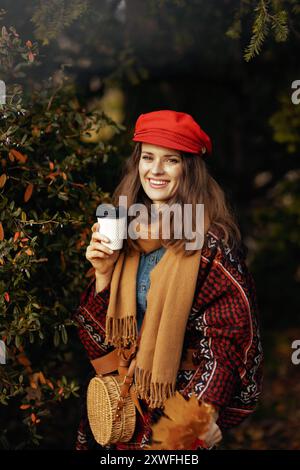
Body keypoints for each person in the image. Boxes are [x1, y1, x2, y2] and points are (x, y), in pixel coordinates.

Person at [74, 110, 263, 450]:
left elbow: (227, 343)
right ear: (138, 163)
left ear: (188, 170)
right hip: (123, 411)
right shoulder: (126, 235)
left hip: (177, 408)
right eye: (148, 157)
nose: (155, 170)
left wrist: (201, 415)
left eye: (170, 160)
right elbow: (99, 346)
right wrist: (103, 273)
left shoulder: (208, 245)